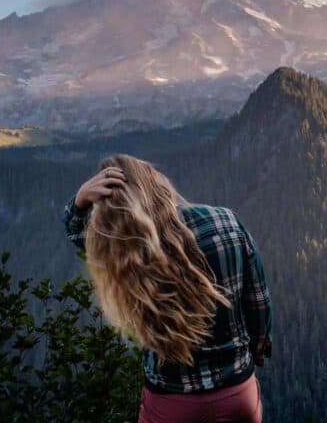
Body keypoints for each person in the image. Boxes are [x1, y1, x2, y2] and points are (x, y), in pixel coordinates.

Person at [61, 154, 272, 423]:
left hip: (171, 403)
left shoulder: (128, 251)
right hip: (236, 394)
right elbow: (258, 303)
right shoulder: (225, 223)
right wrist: (252, 353)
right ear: (155, 181)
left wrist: (79, 202)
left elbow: (78, 234)